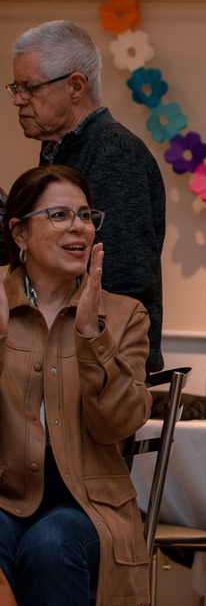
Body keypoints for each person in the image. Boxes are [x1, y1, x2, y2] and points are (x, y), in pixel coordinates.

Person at [0, 165, 153, 606]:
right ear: (19, 232)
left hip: (88, 505)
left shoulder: (123, 314)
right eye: (60, 214)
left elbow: (118, 425)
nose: (79, 227)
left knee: (50, 546)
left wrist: (92, 339)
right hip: (3, 497)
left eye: (86, 216)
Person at [9, 20, 166, 373]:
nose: (18, 99)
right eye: (15, 88)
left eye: (29, 88)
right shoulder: (59, 149)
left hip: (99, 359)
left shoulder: (113, 151)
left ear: (76, 86)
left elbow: (123, 278)